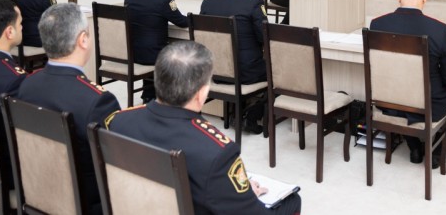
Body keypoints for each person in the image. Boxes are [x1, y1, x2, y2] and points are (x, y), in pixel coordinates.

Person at [106, 41, 301, 215]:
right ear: (201, 94)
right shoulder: (216, 153)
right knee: (292, 201)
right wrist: (248, 195)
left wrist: (235, 191)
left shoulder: (117, 122)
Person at [17, 3, 120, 212]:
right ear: (83, 40)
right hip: (87, 204)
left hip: (37, 191)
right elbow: (115, 166)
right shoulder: (97, 101)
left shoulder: (27, 85)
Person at [369, 0, 446, 168]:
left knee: (403, 92)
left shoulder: (377, 24)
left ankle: (414, 148)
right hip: (428, 107)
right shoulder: (438, 29)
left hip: (389, 102)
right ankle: (438, 152)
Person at [200, 0, 267, 133]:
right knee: (280, 74)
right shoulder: (254, 2)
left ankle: (238, 111)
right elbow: (265, 37)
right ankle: (251, 115)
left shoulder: (208, 2)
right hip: (246, 73)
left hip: (215, 71)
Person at [124, 0, 189, 102]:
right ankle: (175, 97)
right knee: (181, 51)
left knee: (150, 42)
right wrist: (194, 18)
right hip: (154, 54)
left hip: (133, 52)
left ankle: (148, 95)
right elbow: (181, 22)